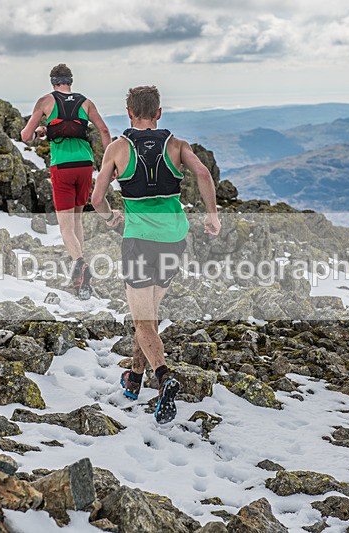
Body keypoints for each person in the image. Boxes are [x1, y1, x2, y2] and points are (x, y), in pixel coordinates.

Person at [91, 85, 220, 424]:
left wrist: (109, 217)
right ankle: (134, 378)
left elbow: (96, 198)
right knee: (149, 314)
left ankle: (164, 378)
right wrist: (212, 214)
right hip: (173, 240)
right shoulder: (177, 146)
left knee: (143, 320)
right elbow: (203, 174)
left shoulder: (118, 149)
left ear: (130, 112)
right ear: (159, 112)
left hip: (139, 241)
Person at [21, 63, 112, 300]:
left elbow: (25, 136)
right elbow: (103, 130)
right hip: (85, 165)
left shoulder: (45, 102)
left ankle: (80, 265)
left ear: (53, 82)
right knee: (77, 219)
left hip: (61, 167)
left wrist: (42, 129)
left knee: (65, 226)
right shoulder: (86, 103)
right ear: (70, 81)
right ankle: (79, 276)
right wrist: (108, 164)